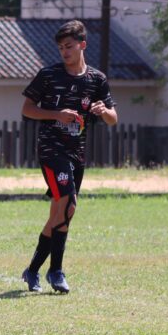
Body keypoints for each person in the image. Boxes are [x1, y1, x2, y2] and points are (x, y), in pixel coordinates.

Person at [20, 20, 118, 294]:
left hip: (78, 153)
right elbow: (27, 108)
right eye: (61, 47)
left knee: (63, 211)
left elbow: (113, 118)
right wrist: (55, 114)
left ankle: (33, 270)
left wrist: (103, 110)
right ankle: (56, 271)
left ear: (82, 45)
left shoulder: (96, 80)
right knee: (68, 202)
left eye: (69, 46)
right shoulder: (49, 75)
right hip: (51, 150)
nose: (64, 52)